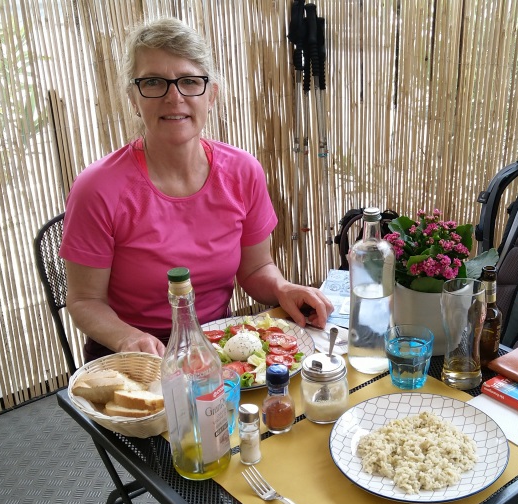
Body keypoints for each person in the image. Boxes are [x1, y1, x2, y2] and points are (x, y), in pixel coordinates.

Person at [59, 17, 332, 362]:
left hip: (219, 345)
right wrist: (129, 339)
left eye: (189, 81)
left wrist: (282, 287)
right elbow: (85, 301)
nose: (174, 97)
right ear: (133, 98)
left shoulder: (243, 171)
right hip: (132, 357)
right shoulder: (97, 188)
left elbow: (255, 270)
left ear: (211, 95)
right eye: (153, 82)